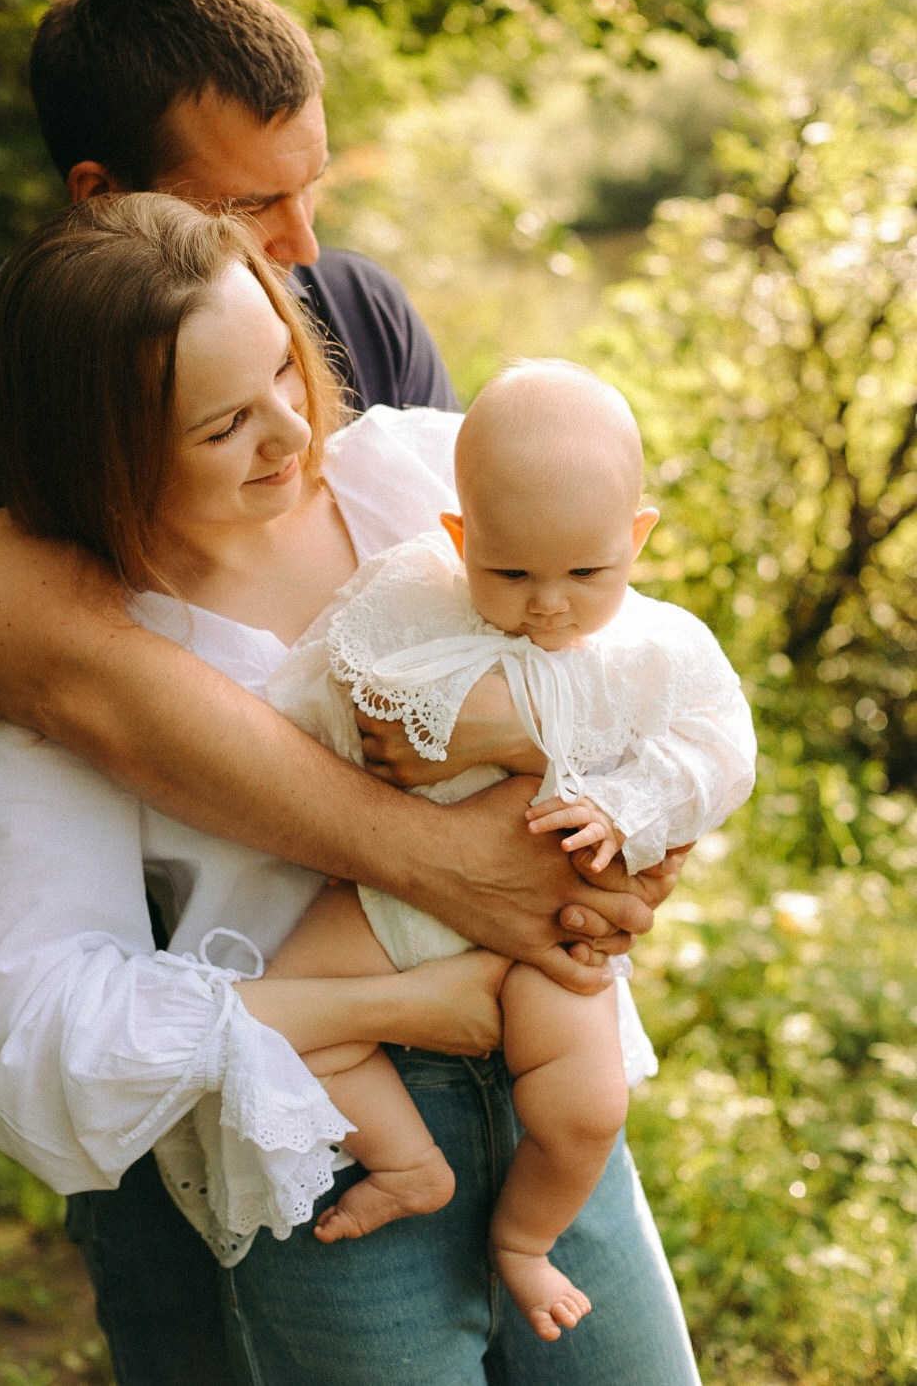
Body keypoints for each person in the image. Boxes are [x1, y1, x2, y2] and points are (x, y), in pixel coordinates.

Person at [0, 0, 696, 1384]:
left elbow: (554, 629)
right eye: (252, 208)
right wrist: (429, 914)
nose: (306, 253)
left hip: (533, 1059)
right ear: (106, 196)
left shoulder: (358, 374)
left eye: (312, 189)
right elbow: (83, 689)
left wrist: (628, 824)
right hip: (281, 1131)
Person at [259, 359, 756, 1342]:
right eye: (510, 572)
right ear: (459, 538)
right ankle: (407, 1163)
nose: (548, 607)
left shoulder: (660, 651)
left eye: (586, 573)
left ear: (637, 539)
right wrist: (326, 800)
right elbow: (322, 694)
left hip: (547, 931)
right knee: (281, 1024)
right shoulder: (412, 597)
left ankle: (524, 1242)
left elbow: (721, 754)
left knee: (585, 1108)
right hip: (397, 895)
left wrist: (623, 803)